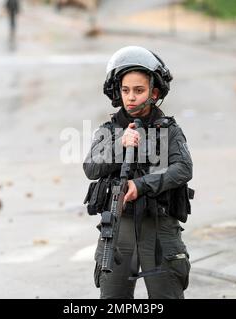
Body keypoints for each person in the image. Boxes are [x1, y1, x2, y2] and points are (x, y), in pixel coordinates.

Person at [83, 46, 194, 299]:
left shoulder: (170, 131)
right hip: (118, 227)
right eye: (125, 90)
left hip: (160, 228)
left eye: (139, 90)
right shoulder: (108, 131)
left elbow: (183, 168)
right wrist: (120, 143)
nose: (131, 97)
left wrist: (142, 185)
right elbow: (90, 167)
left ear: (154, 93)